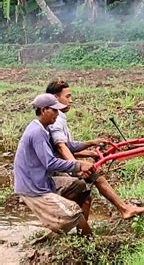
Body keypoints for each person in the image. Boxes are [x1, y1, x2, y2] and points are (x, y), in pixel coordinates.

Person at [46, 79, 144, 219]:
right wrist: (77, 166)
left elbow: (66, 147)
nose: (71, 100)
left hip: (59, 164)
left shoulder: (59, 117)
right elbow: (61, 147)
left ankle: (83, 234)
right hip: (55, 170)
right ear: (55, 98)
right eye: (67, 96)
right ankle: (124, 209)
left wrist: (90, 152)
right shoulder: (56, 119)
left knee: (85, 199)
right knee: (95, 178)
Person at [14, 94, 94, 236]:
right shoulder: (37, 132)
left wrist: (91, 143)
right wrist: (78, 165)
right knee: (74, 211)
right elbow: (50, 163)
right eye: (55, 110)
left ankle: (65, 223)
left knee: (81, 189)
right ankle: (89, 243)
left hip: (42, 180)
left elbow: (66, 145)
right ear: (44, 110)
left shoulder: (45, 128)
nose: (57, 114)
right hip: (33, 187)